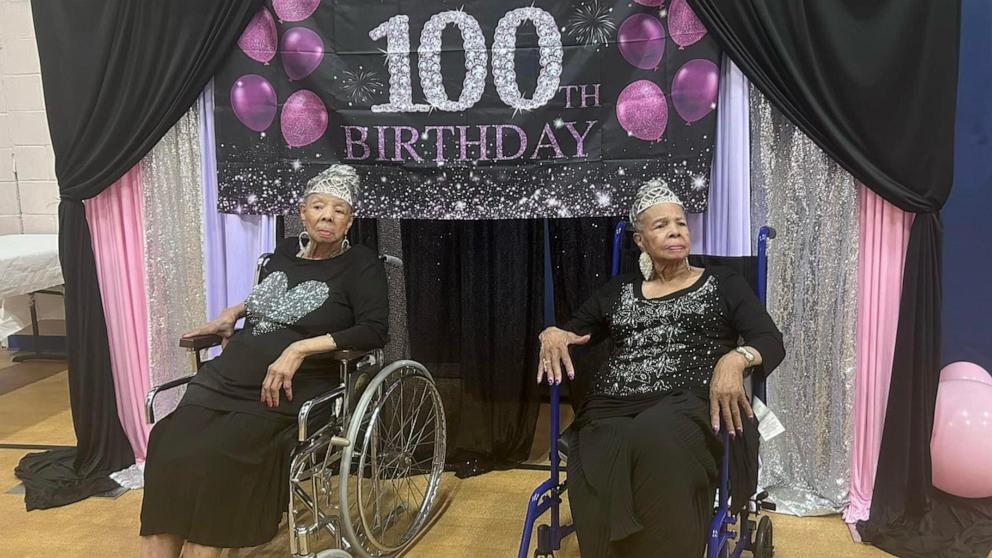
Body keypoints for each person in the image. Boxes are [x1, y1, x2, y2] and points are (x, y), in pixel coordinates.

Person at [140, 164, 389, 558]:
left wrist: (299, 349)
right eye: (319, 207)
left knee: (220, 454)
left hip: (288, 392)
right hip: (225, 379)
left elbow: (374, 330)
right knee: (168, 442)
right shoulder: (285, 251)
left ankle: (207, 546)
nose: (327, 216)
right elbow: (270, 300)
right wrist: (233, 312)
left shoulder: (361, 264)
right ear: (302, 212)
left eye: (339, 210)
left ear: (350, 220)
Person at [537, 179, 785, 557]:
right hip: (613, 405)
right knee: (598, 447)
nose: (675, 231)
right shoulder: (618, 291)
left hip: (690, 403)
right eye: (661, 225)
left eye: (680, 223)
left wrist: (737, 358)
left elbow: (769, 339)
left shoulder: (723, 283)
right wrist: (553, 335)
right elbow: (571, 332)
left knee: (654, 436)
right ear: (640, 241)